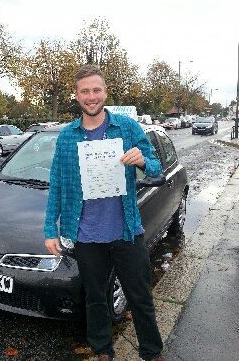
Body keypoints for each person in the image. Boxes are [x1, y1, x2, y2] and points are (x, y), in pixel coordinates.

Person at [44, 65, 165, 361]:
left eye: (96, 90)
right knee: (95, 298)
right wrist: (50, 229)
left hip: (126, 230)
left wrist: (141, 161)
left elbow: (156, 167)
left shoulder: (127, 128)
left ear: (105, 92)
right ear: (76, 95)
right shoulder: (67, 137)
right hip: (85, 234)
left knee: (140, 297)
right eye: (85, 91)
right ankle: (102, 350)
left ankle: (152, 352)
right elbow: (57, 184)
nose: (91, 96)